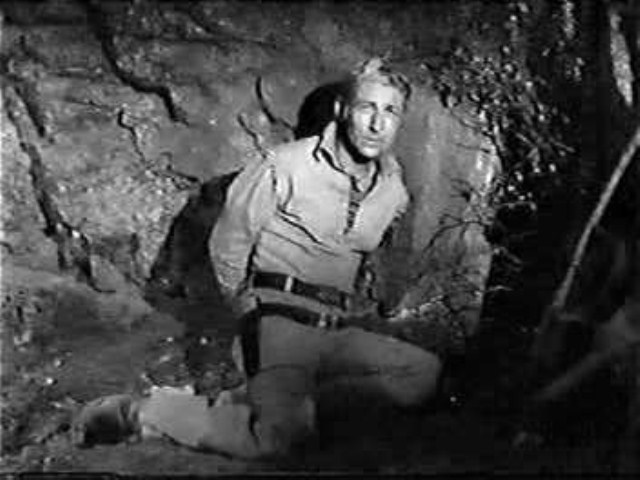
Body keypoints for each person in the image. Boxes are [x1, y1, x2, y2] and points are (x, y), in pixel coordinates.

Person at [74, 58, 443, 459]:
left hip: (336, 328)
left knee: (421, 375)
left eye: (390, 111)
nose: (377, 124)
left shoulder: (393, 191)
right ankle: (144, 412)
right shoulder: (285, 165)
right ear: (342, 110)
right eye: (367, 108)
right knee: (281, 444)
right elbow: (229, 240)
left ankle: (256, 405)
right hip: (280, 322)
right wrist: (247, 309)